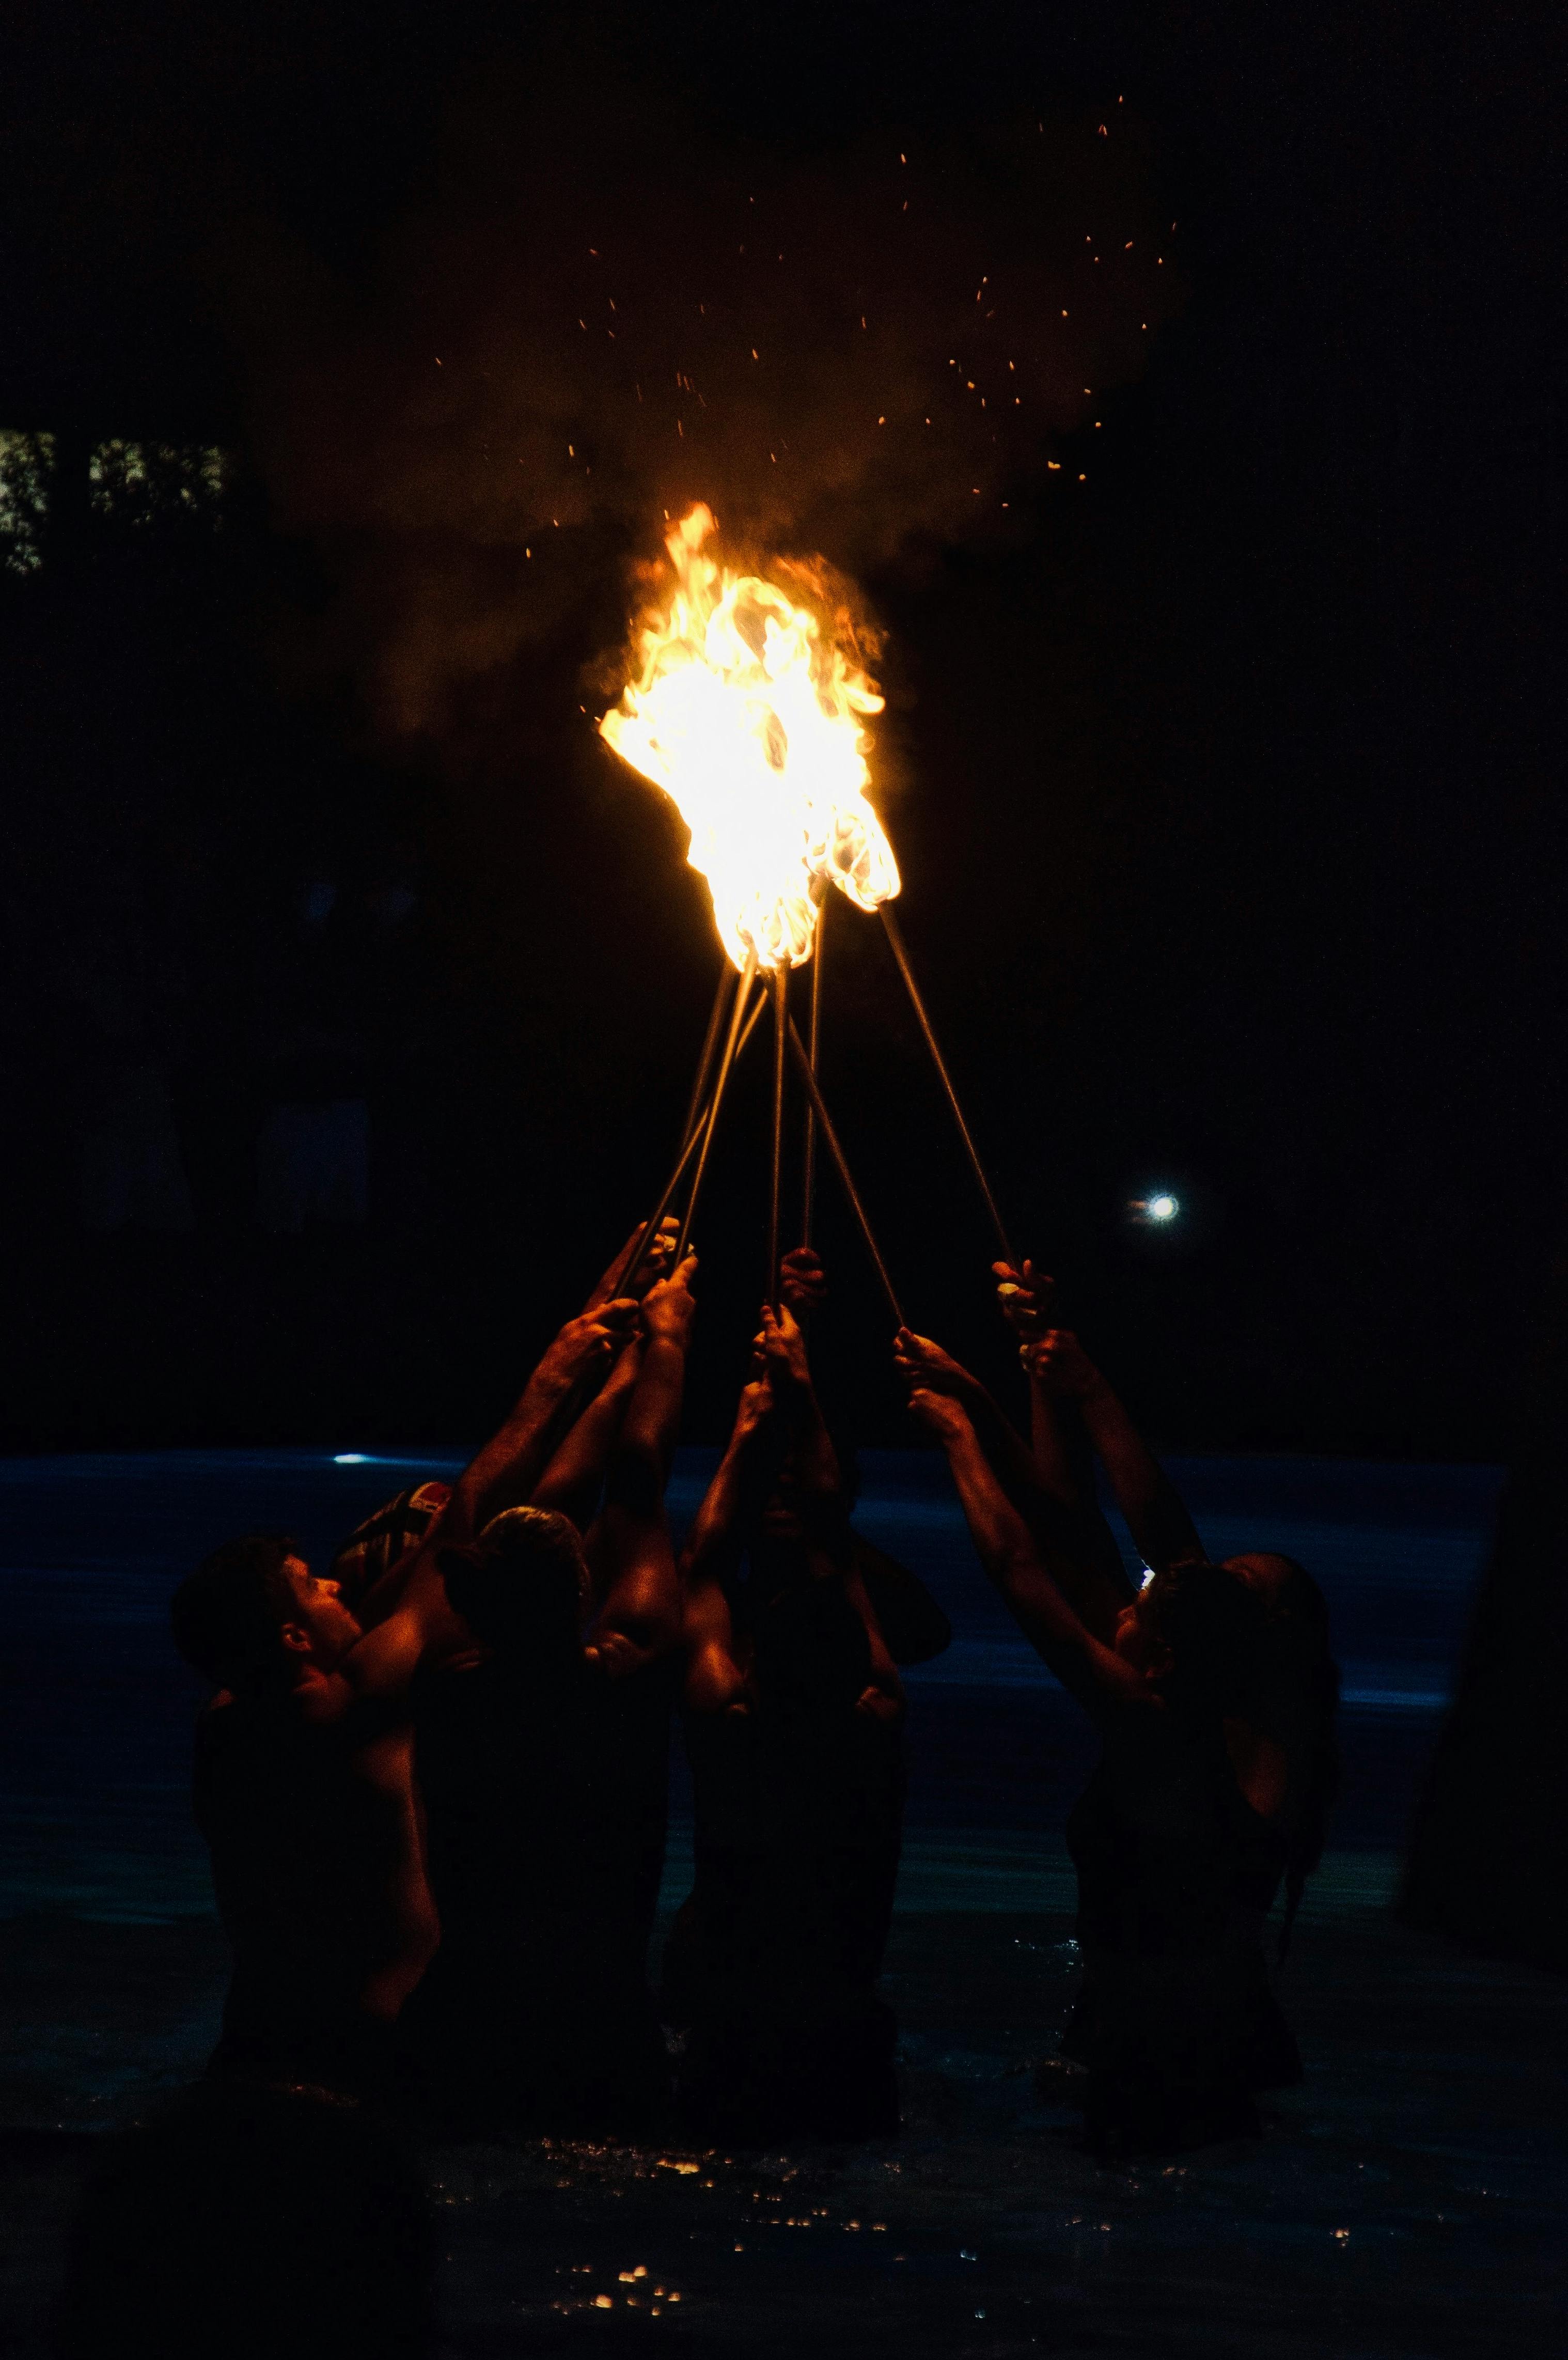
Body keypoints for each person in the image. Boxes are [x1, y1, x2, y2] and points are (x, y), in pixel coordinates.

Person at [170, 1275, 643, 2096]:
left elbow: (390, 1605)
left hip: (250, 2051)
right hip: (367, 2063)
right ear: (292, 1636)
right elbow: (457, 1535)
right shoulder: (352, 1709)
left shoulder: (228, 1728)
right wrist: (554, 1380)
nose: (338, 1588)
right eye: (313, 1585)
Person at [896, 1276, 1336, 2154]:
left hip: (1173, 2058)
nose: (1204, 1571)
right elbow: (1084, 1533)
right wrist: (1037, 1378)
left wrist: (960, 1435)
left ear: (1271, 1634)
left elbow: (1027, 1565)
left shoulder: (1170, 1723)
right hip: (1159, 2044)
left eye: (1242, 1578)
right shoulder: (1203, 1698)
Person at [399, 1242, 697, 2134]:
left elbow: (483, 1518)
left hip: (468, 2018)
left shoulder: (445, 1682)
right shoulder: (630, 1674)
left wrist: (594, 1363)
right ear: (581, 1593)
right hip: (599, 2021)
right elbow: (638, 1487)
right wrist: (669, 1341)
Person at [662, 1264, 910, 2141]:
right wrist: (800, 1387)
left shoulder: (733, 1724)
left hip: (726, 2006)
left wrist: (747, 1430)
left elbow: (699, 1563)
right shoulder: (873, 1721)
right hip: (833, 2015)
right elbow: (836, 1543)